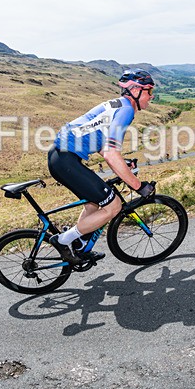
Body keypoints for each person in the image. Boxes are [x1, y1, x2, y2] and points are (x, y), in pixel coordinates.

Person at [47, 69, 157, 264]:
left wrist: (124, 164)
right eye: (149, 90)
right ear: (135, 90)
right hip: (66, 160)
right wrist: (138, 186)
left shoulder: (117, 105)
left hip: (62, 158)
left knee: (95, 203)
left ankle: (79, 245)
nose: (151, 96)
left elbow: (97, 139)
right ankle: (63, 241)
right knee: (113, 205)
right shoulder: (126, 110)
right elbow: (110, 153)